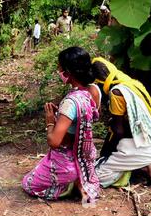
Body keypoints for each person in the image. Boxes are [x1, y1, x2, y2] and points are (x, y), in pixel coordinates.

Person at [22, 47, 101, 204]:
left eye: (59, 67)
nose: (58, 70)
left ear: (68, 72)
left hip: (67, 163)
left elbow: (54, 141)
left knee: (28, 183)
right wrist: (64, 117)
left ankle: (66, 184)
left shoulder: (70, 103)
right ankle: (80, 180)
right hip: (85, 158)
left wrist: (50, 120)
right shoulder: (94, 91)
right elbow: (85, 119)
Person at [92, 57, 151, 188]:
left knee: (96, 175)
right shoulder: (129, 82)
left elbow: (118, 131)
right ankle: (144, 165)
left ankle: (144, 164)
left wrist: (105, 154)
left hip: (143, 142)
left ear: (99, 83)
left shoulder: (116, 92)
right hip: (149, 135)